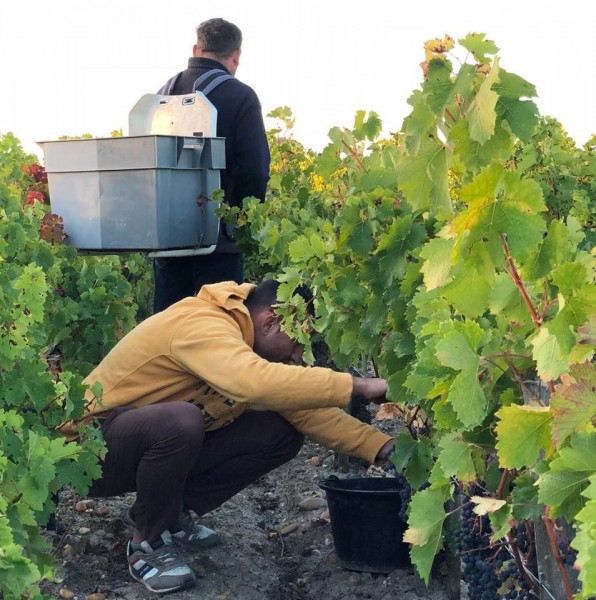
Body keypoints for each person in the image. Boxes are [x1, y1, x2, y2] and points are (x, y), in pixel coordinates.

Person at [58, 280, 395, 594]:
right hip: (91, 453)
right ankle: (146, 544)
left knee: (278, 433)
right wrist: (358, 387)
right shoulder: (202, 324)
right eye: (297, 343)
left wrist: (384, 447)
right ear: (270, 321)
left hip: (143, 446)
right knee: (182, 421)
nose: (297, 357)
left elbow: (306, 411)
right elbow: (252, 382)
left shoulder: (243, 336)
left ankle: (167, 512)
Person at [152, 18, 271, 313]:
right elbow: (254, 170)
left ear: (196, 48)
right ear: (236, 56)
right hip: (219, 244)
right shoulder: (241, 96)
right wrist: (243, 220)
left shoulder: (161, 95)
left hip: (168, 241)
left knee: (170, 335)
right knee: (219, 336)